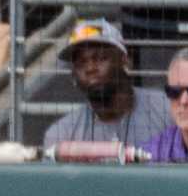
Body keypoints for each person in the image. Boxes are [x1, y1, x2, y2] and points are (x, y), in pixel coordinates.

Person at [41, 19, 173, 150]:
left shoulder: (167, 110)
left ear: (125, 61)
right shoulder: (62, 135)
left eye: (100, 58)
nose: (90, 68)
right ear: (73, 75)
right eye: (81, 63)